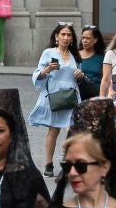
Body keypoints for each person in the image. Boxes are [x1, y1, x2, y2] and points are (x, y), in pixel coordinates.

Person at [30, 23, 81, 175]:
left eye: (69, 35)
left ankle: (69, 161)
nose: (66, 38)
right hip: (55, 95)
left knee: (71, 129)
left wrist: (80, 75)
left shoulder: (74, 55)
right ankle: (48, 164)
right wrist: (47, 70)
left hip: (71, 95)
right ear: (56, 37)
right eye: (63, 34)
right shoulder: (49, 52)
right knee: (54, 130)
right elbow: (37, 74)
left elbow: (77, 77)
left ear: (72, 39)